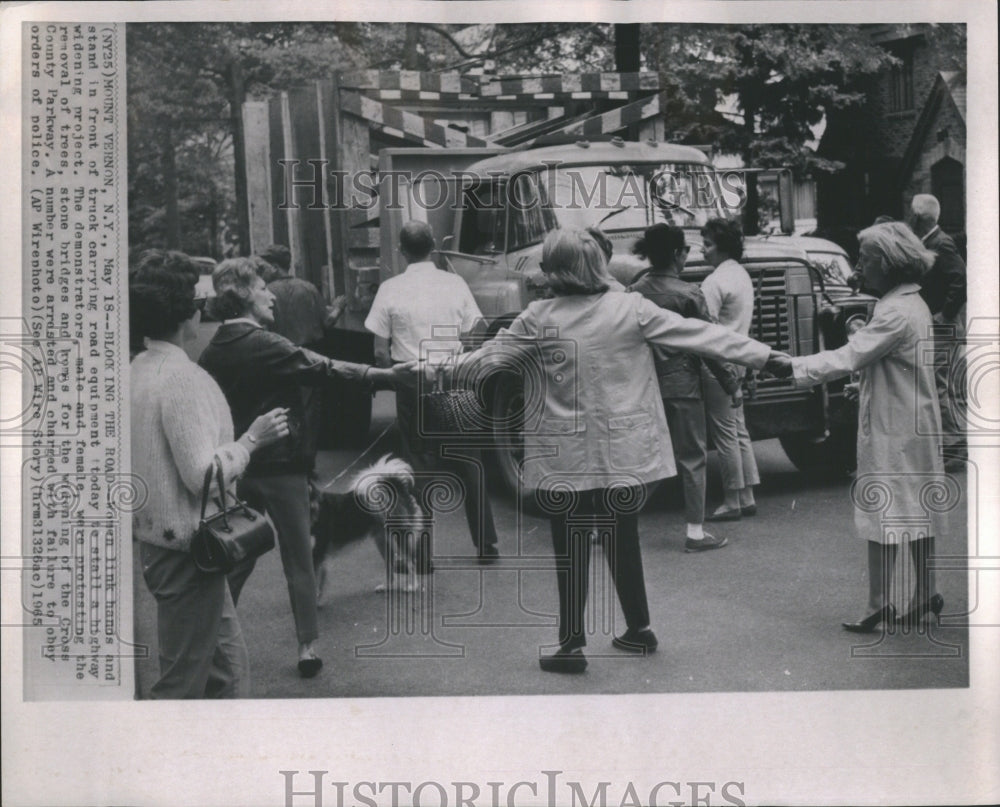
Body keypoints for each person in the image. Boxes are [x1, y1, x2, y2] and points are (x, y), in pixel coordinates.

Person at [443, 229, 779, 673]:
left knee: (571, 545)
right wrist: (769, 356)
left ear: (558, 270)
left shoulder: (537, 318)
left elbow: (482, 363)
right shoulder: (631, 309)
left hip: (566, 456)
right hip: (624, 450)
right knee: (623, 537)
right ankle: (638, 629)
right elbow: (702, 335)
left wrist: (420, 371)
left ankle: (571, 644)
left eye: (546, 263)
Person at [199, 258, 412, 678]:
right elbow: (324, 367)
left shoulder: (211, 352)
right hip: (283, 466)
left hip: (240, 464)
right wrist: (384, 375)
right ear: (243, 295)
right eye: (262, 287)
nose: (271, 293)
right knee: (299, 557)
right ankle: (307, 647)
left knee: (237, 554)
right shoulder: (266, 343)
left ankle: (211, 642)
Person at [768, 222, 946, 632]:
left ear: (886, 262)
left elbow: (850, 355)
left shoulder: (894, 312)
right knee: (917, 509)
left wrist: (793, 366)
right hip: (911, 420)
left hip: (894, 428)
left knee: (882, 510)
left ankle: (878, 602)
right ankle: (925, 593)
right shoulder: (910, 303)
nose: (860, 266)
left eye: (865, 258)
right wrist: (865, 387)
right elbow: (894, 367)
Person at [129, 251, 289, 698]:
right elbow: (202, 475)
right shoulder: (181, 378)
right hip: (189, 551)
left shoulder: (136, 370)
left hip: (167, 546)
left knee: (229, 672)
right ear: (190, 314)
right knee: (183, 685)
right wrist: (252, 440)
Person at [364, 221, 500, 566]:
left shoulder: (391, 288)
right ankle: (486, 544)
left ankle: (423, 553)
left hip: (413, 380)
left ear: (401, 250)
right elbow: (477, 330)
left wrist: (399, 376)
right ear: (434, 246)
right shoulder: (454, 283)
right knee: (470, 459)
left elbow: (380, 351)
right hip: (453, 375)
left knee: (420, 463)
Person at [629, 224, 741, 552]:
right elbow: (711, 345)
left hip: (644, 386)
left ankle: (614, 518)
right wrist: (731, 383)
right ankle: (694, 532)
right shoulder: (690, 294)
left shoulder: (633, 291)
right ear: (678, 254)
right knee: (692, 456)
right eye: (685, 251)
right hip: (682, 385)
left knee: (646, 458)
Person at [699, 217, 760, 521]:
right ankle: (747, 495)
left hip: (718, 363)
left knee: (724, 433)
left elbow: (705, 328)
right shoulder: (742, 276)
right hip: (741, 359)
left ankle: (731, 499)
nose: (702, 250)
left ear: (721, 246)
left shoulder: (713, 282)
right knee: (738, 429)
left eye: (707, 244)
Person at [906, 194, 967, 469]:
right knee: (942, 385)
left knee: (941, 386)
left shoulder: (941, 243)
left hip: (943, 328)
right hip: (938, 327)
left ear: (919, 217)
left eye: (911, 213)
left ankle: (954, 448)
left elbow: (960, 279)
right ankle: (952, 444)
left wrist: (945, 314)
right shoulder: (930, 242)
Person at [256, 244, 346, 352]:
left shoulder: (264, 292)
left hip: (281, 354)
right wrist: (338, 308)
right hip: (312, 355)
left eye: (262, 268)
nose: (259, 273)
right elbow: (328, 322)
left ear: (275, 268)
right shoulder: (308, 287)